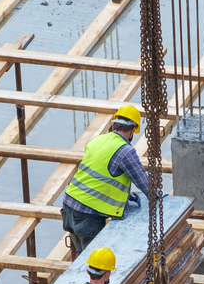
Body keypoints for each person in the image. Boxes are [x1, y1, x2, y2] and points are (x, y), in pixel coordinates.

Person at [61, 105, 152, 256]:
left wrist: (124, 196)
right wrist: (160, 198)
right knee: (94, 261)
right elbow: (143, 182)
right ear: (131, 131)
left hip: (69, 205)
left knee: (78, 260)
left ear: (113, 125)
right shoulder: (125, 151)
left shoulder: (97, 141)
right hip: (87, 216)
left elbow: (97, 176)